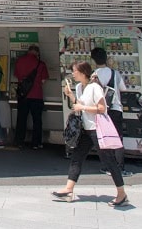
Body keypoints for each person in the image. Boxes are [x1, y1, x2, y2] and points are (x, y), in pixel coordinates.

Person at [52, 61, 129, 207]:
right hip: (86, 130)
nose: (73, 74)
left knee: (109, 161)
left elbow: (101, 108)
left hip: (97, 129)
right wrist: (71, 96)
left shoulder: (95, 87)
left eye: (74, 71)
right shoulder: (81, 87)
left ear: (82, 72)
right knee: (77, 157)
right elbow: (80, 105)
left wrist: (83, 106)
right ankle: (68, 189)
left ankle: (121, 193)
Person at [91, 46, 130, 176]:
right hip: (116, 108)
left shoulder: (94, 75)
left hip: (102, 111)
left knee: (104, 138)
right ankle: (120, 167)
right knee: (118, 138)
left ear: (93, 60)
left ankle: (107, 166)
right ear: (106, 58)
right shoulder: (115, 73)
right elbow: (123, 89)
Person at [14, 44, 49, 150]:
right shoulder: (41, 64)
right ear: (37, 53)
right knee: (37, 120)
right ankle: (36, 143)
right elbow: (43, 80)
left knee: (21, 119)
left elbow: (16, 75)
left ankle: (19, 141)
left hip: (23, 95)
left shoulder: (20, 61)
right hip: (36, 95)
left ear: (28, 51)